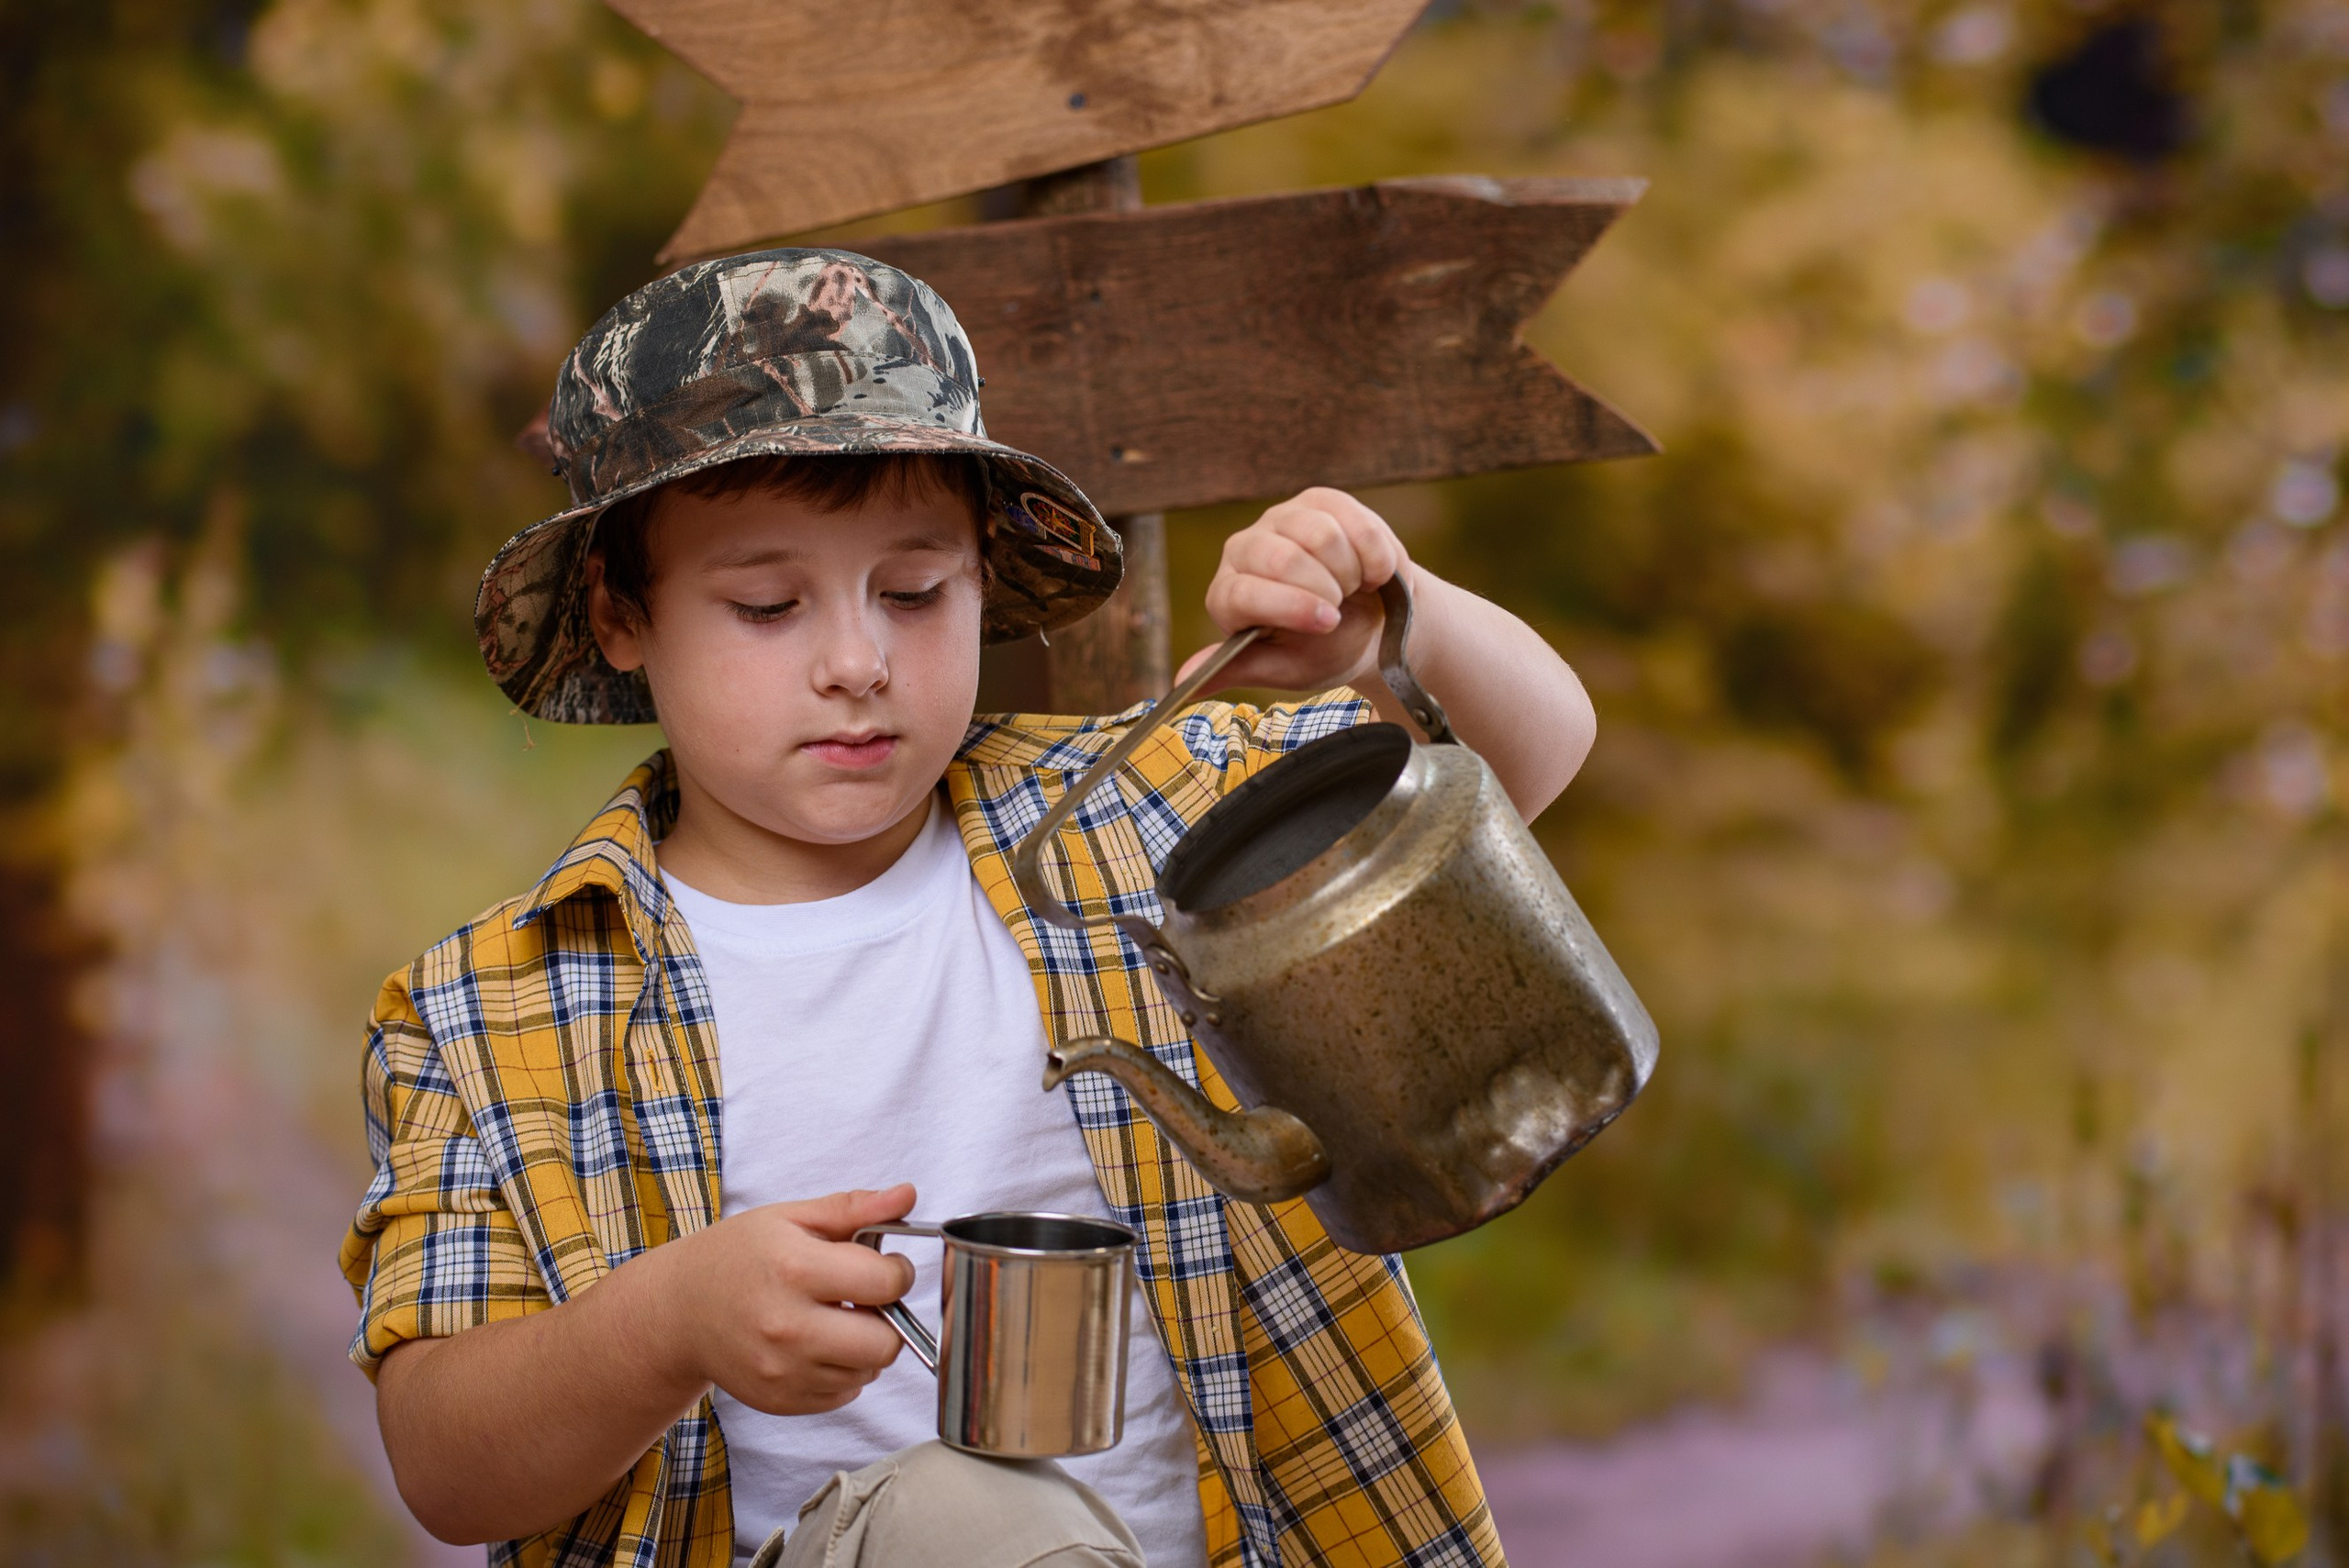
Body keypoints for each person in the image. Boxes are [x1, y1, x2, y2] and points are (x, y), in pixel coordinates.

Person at [340, 249, 1597, 1568]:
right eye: (766, 606)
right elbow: (445, 1465)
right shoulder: (492, 1009)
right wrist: (670, 1322)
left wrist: (1394, 628)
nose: (857, 661)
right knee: (971, 1514)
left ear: (986, 577)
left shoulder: (1143, 818)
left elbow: (1530, 762)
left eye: (914, 592)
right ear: (620, 616)